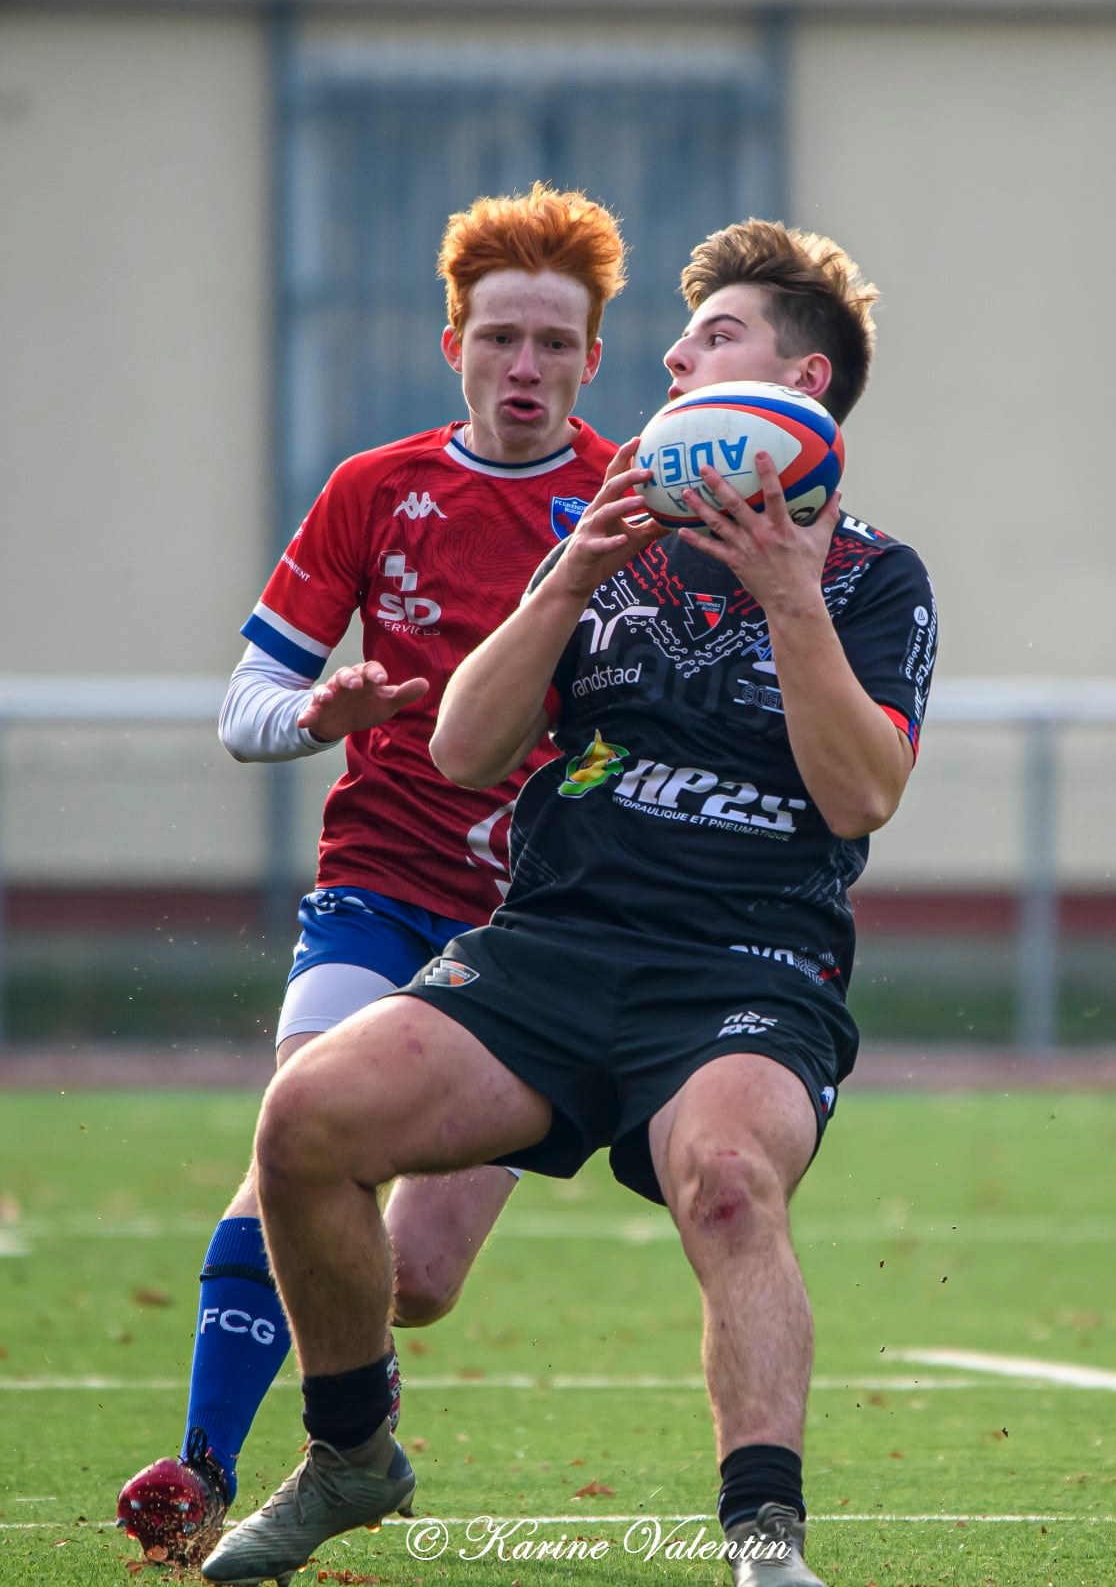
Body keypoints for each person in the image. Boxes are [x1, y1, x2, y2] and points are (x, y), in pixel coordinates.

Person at [200, 220, 937, 1587]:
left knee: (729, 1181)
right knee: (305, 1122)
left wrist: (793, 600)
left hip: (747, 972)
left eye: (715, 335)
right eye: (682, 338)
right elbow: (463, 750)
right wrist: (570, 575)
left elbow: (862, 798)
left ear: (804, 385)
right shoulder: (614, 542)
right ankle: (352, 1457)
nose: (673, 359)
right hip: (549, 950)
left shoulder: (876, 579)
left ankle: (765, 1544)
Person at [115, 181, 627, 1566]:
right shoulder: (374, 489)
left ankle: (360, 1405)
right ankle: (204, 1470)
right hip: (379, 889)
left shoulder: (628, 507)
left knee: (416, 1280)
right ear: (453, 341)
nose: (525, 366)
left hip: (536, 927)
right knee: (294, 1139)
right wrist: (316, 715)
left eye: (556, 344)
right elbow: (246, 710)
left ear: (593, 360)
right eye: (501, 337)